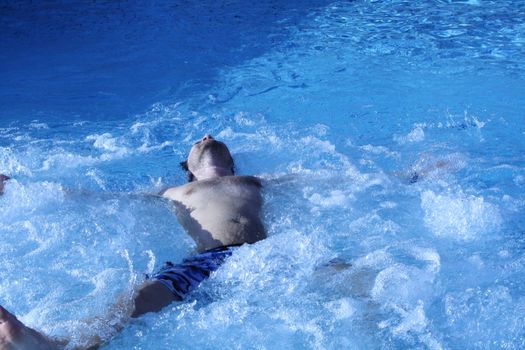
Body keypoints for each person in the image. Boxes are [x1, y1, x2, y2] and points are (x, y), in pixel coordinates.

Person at [0, 134, 267, 349]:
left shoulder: (261, 181)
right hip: (206, 260)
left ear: (232, 164)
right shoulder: (172, 192)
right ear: (190, 171)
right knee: (137, 296)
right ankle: (58, 346)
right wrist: (18, 190)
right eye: (198, 140)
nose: (206, 136)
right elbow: (101, 200)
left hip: (264, 255)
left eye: (206, 138)